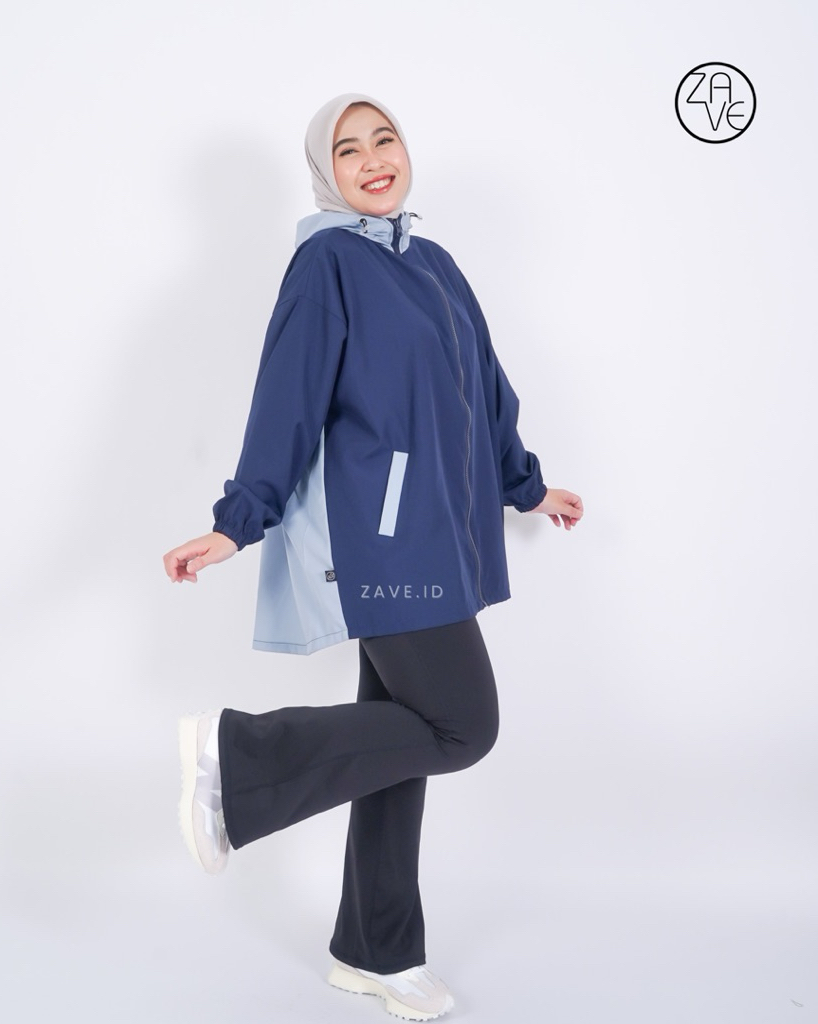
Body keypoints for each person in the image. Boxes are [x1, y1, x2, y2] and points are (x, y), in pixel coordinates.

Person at [162, 92, 584, 1022]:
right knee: (464, 726)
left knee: (403, 742)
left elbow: (486, 386)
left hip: (443, 536)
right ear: (327, 173)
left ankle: (374, 949)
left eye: (383, 139)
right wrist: (239, 520)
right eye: (348, 150)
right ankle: (238, 755)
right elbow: (288, 397)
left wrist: (526, 487)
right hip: (385, 540)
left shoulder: (432, 261)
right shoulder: (327, 262)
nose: (373, 160)